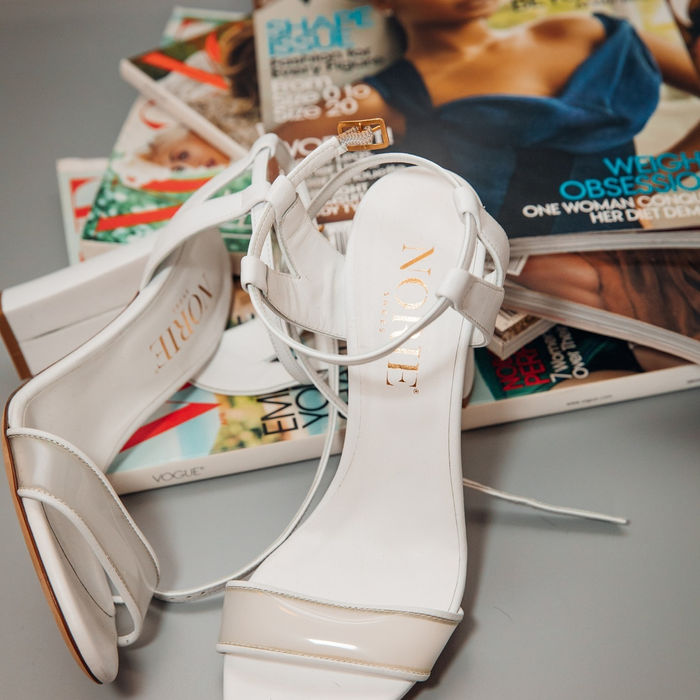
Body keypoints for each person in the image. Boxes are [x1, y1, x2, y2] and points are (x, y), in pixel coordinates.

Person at [273, 0, 700, 235]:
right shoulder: (383, 103)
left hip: (641, 249)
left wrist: (647, 185)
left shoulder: (584, 32)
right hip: (514, 283)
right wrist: (367, 219)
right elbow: (273, 166)